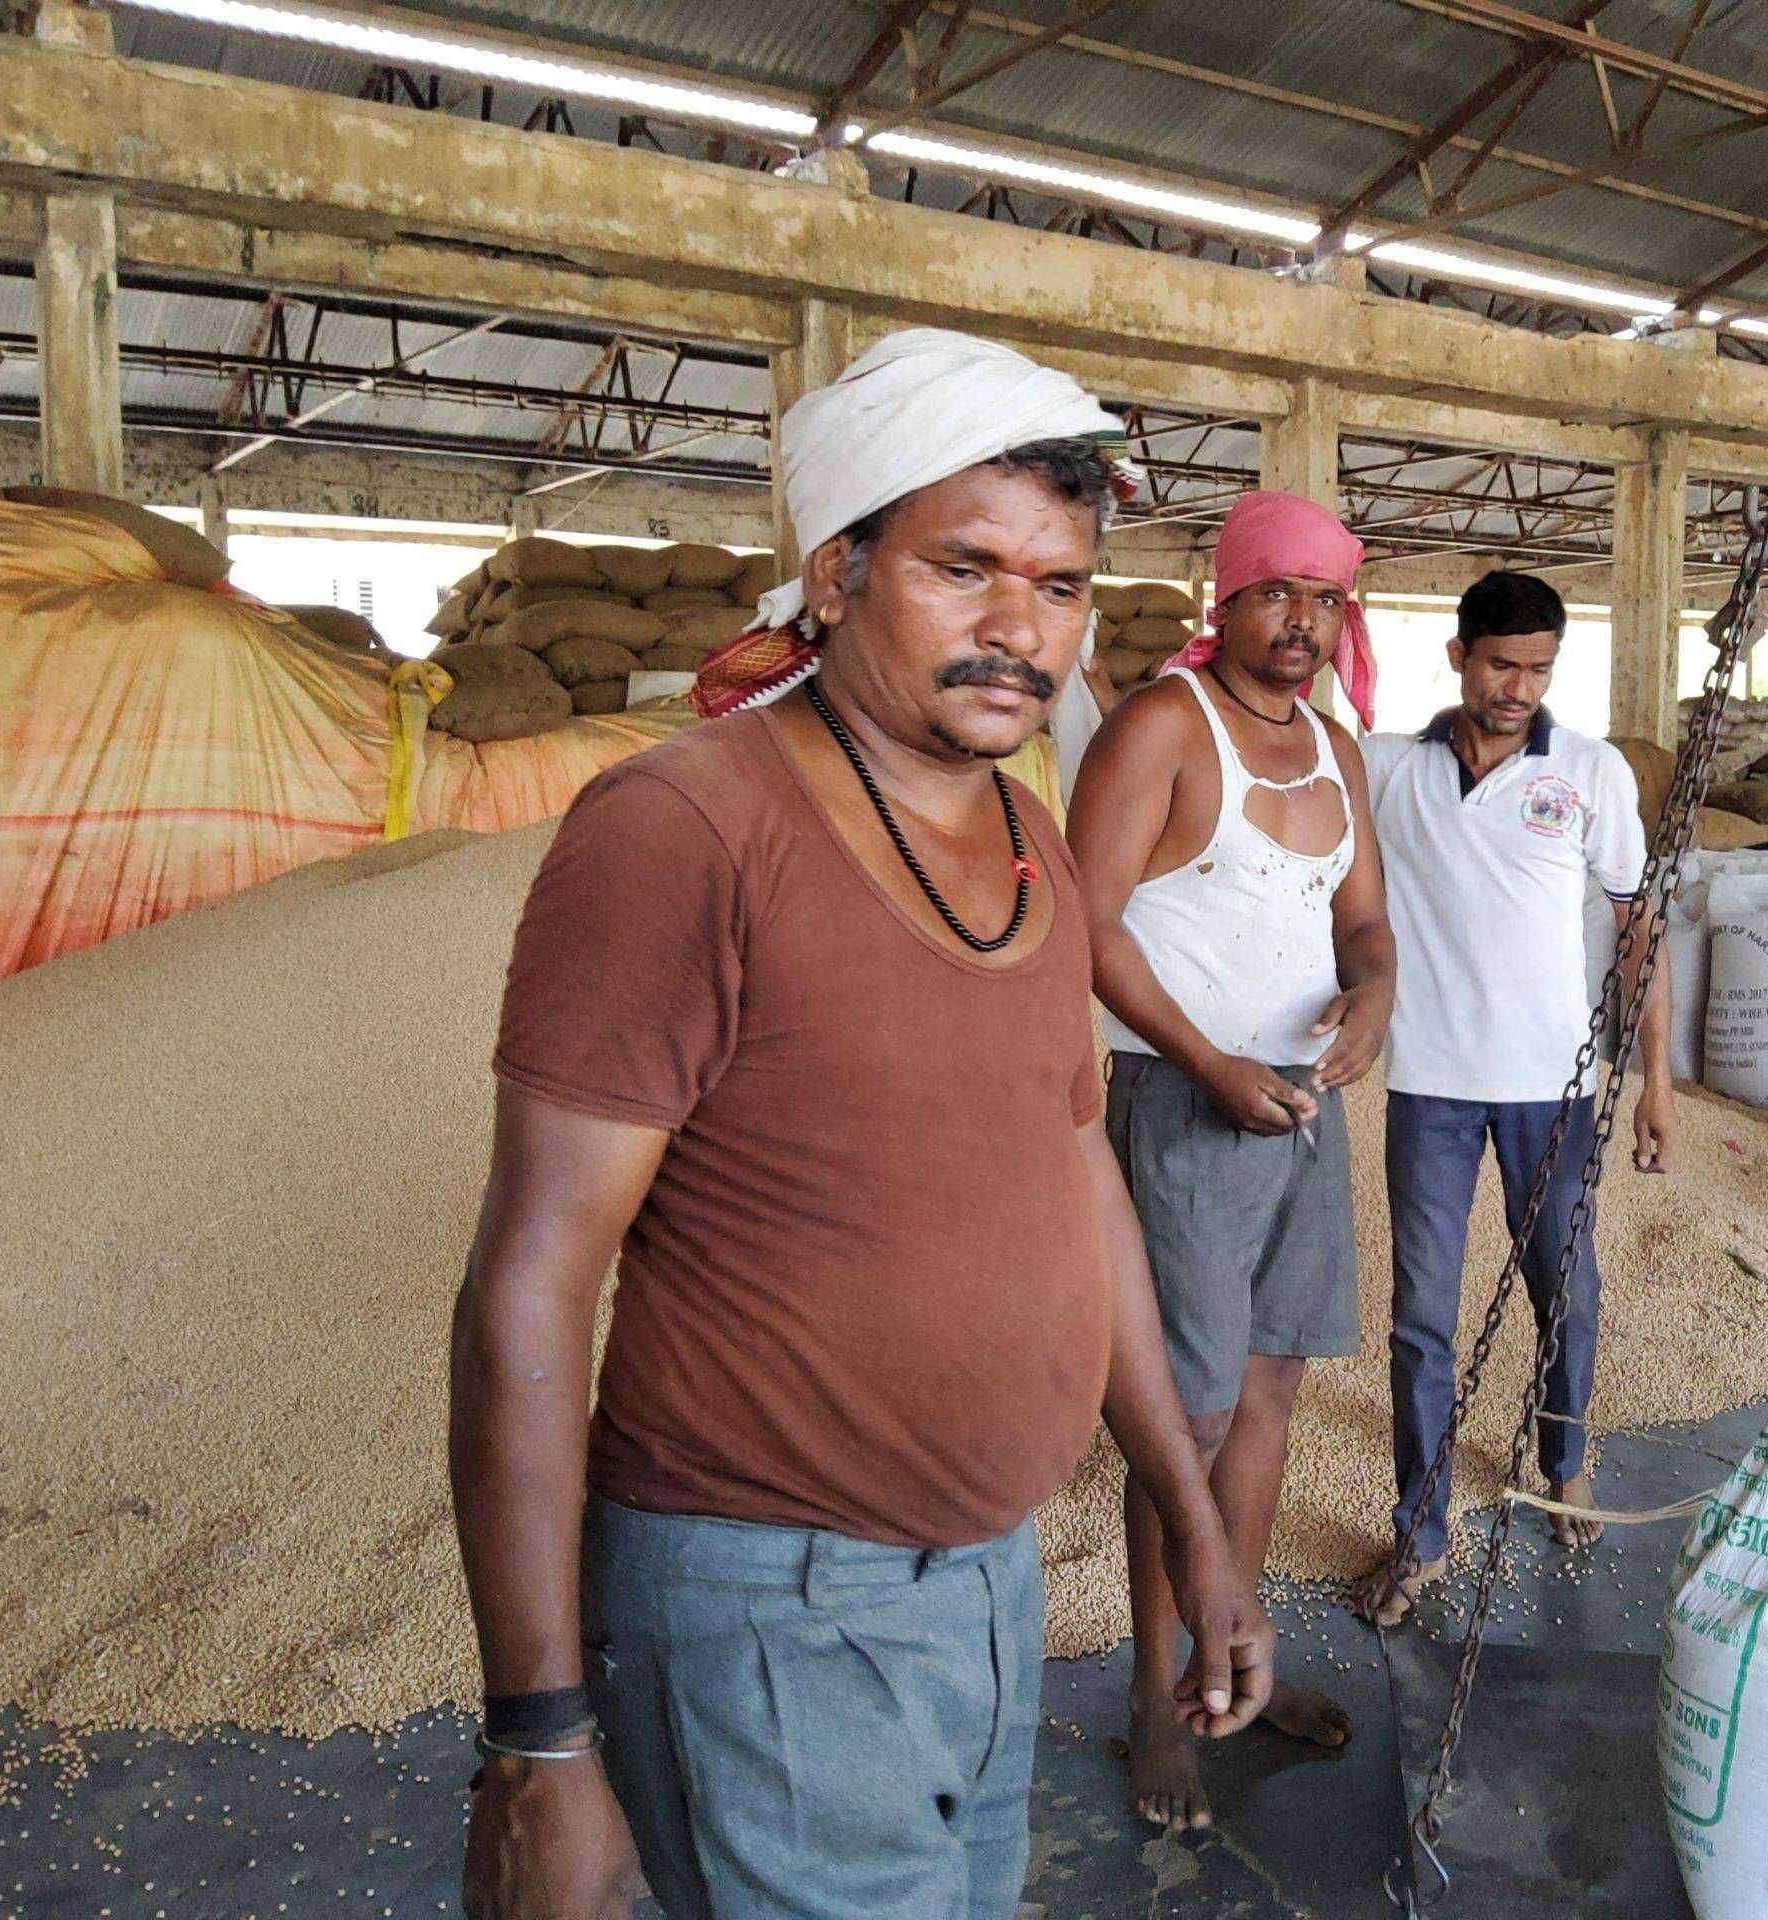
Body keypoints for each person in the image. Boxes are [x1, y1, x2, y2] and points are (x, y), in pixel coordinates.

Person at [449, 329, 1275, 1920]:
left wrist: (1192, 1517)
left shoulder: (1032, 841)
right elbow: (530, 1285)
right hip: (770, 1609)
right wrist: (539, 1741)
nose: (1019, 630)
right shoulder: (685, 832)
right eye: (964, 571)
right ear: (833, 575)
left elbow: (1079, 1175)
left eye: (1059, 586)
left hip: (989, 1584)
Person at [1067, 487, 1394, 1830]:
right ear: (1228, 599)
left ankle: (1231, 1657)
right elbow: (1084, 927)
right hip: (1181, 1102)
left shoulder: (1335, 751)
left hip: (1303, 1109)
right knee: (1184, 1417)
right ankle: (1157, 1700)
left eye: (1323, 600)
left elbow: (1363, 925)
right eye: (1274, 594)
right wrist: (1207, 1064)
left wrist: (1373, 1001)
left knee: (1266, 1397)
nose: (1299, 623)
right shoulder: (1164, 725)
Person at [1347, 570, 1675, 1628]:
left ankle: (1563, 1456)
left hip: (1555, 1088)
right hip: (1429, 1088)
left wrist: (1656, 1081)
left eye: (1538, 668)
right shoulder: (1389, 770)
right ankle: (1420, 1531)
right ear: (1457, 657)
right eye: (1500, 664)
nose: (1518, 687)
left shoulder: (1589, 771)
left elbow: (1637, 926)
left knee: (1564, 1288)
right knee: (1420, 1319)